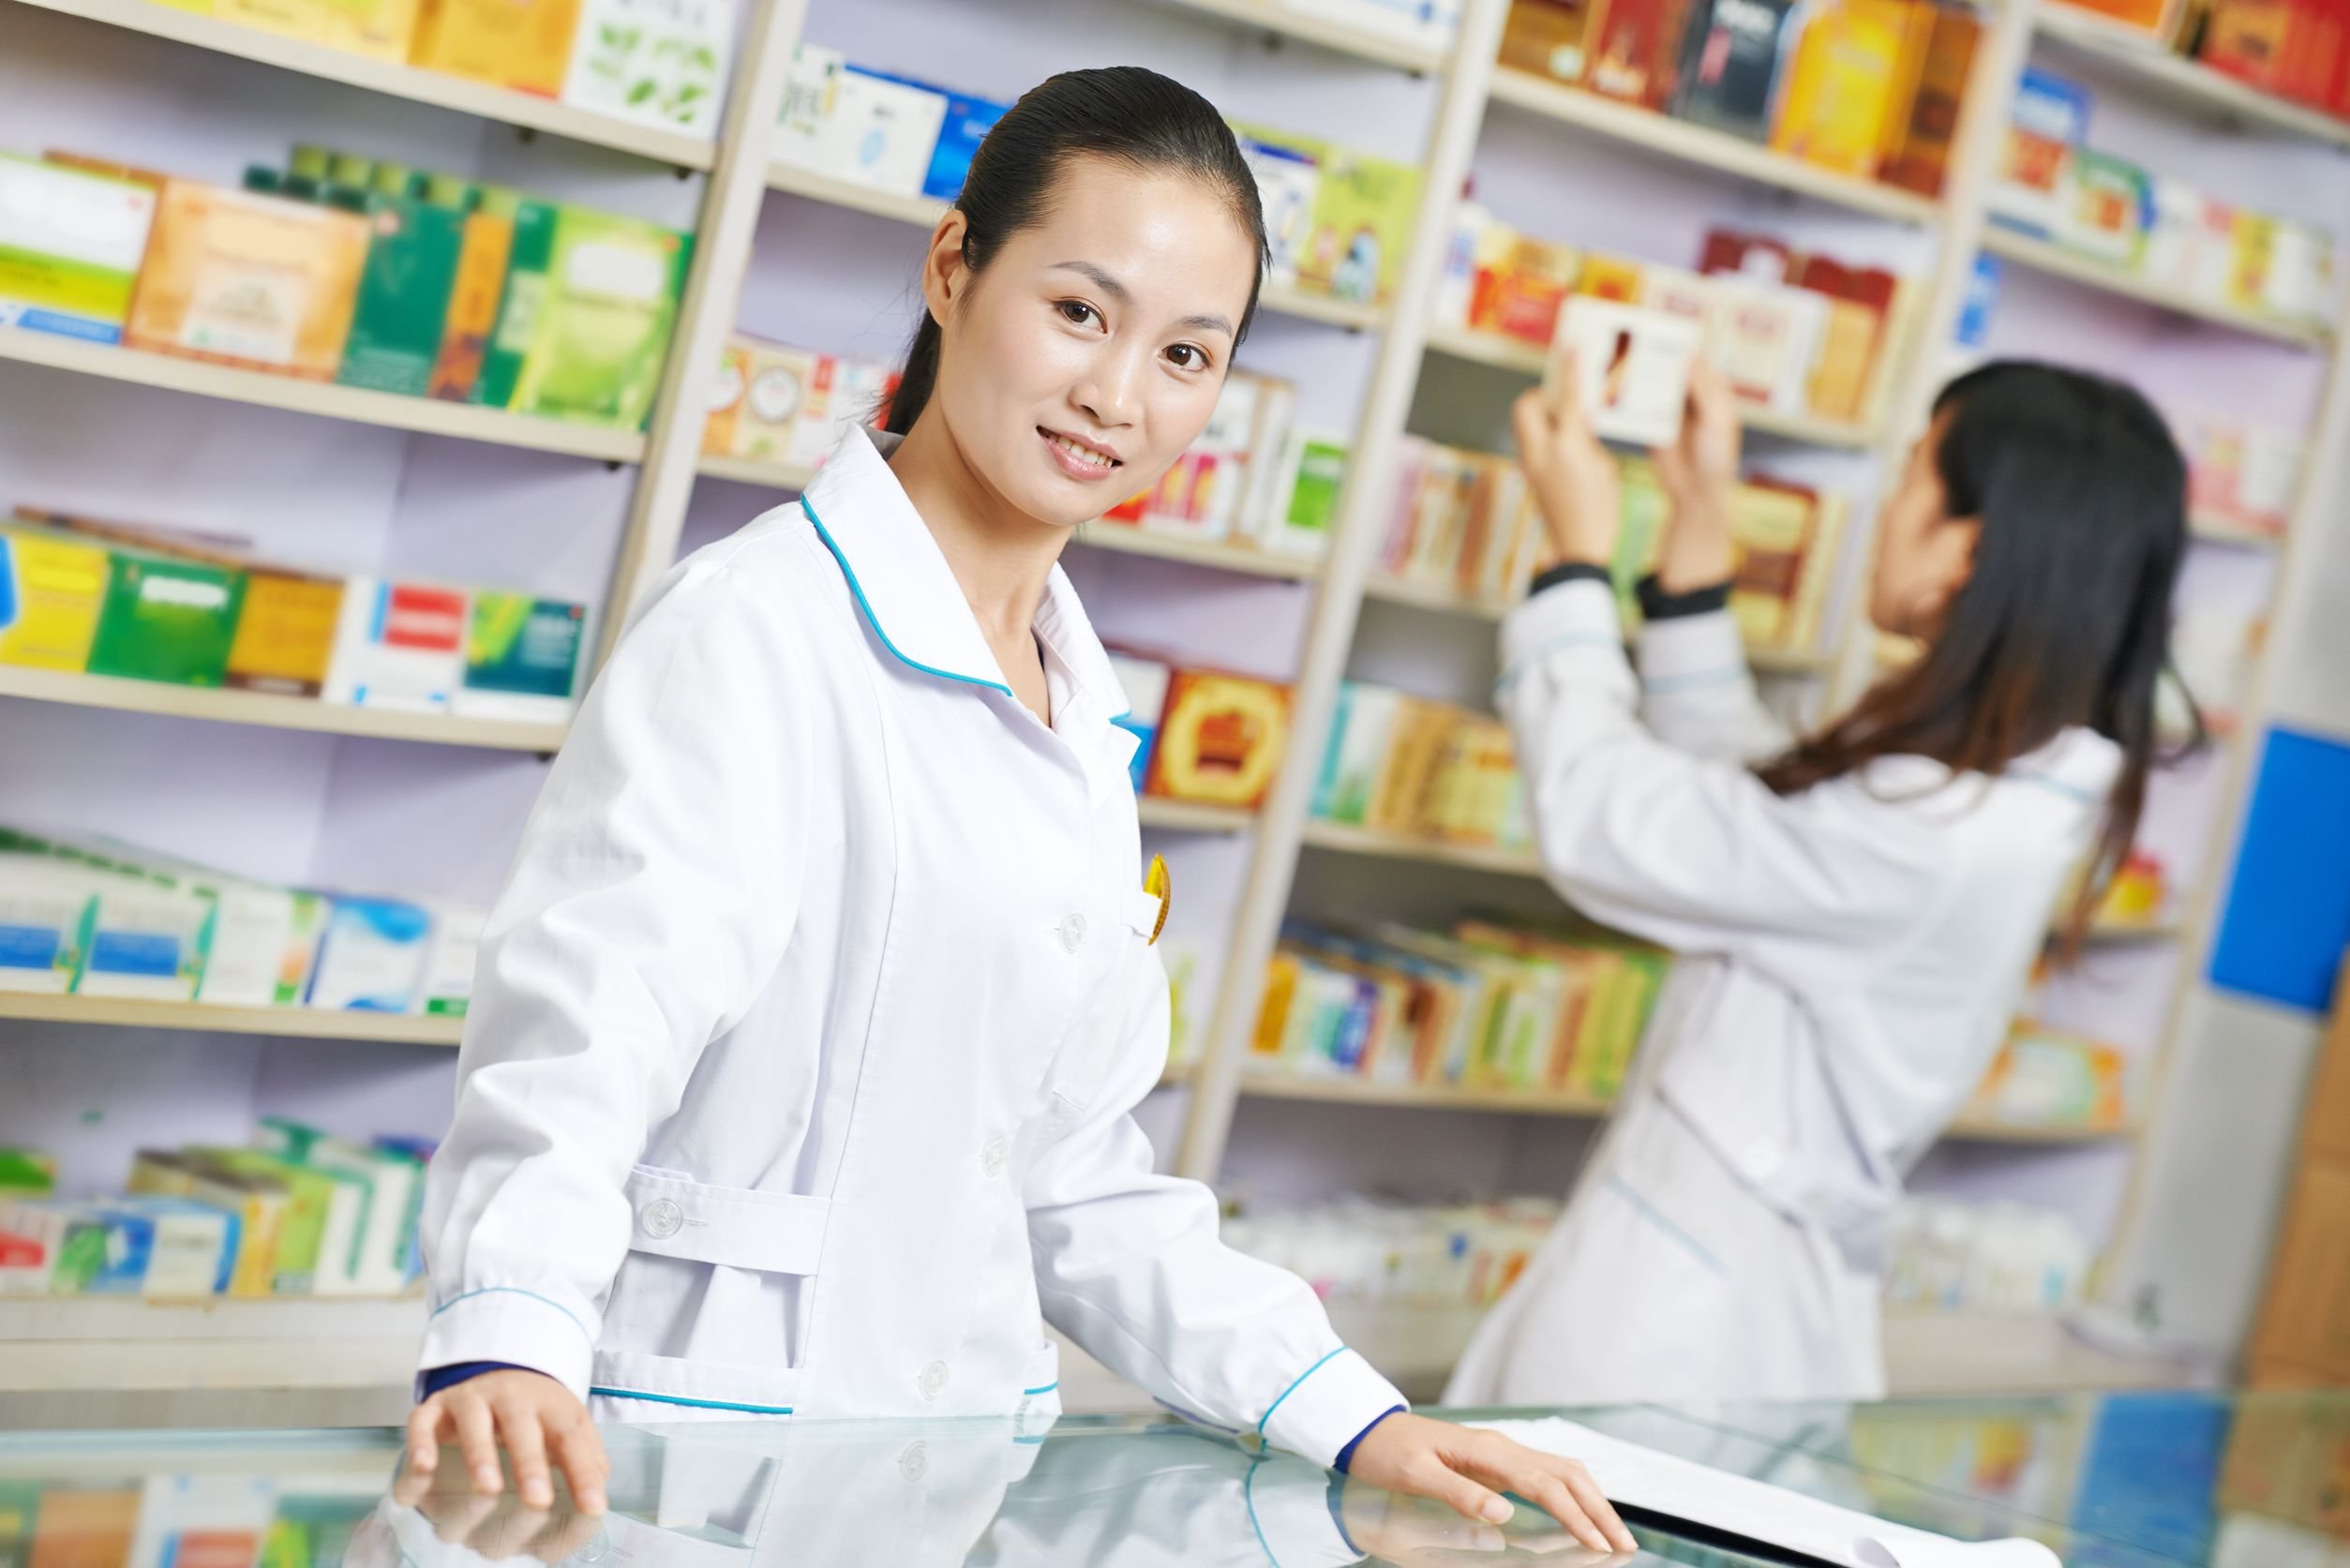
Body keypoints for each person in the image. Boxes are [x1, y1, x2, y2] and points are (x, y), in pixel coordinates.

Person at [401, 64, 1635, 1552]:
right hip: (692, 1467)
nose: (1118, 396)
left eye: (1187, 353)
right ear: (950, 266)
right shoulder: (756, 626)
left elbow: (1070, 1180)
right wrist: (511, 1328)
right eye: (1079, 312)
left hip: (952, 1477)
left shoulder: (1076, 710)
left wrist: (1354, 1415)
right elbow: (581, 1037)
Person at [1445, 354, 2192, 1406]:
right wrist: (1699, 525)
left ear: (1967, 548)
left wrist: (1574, 565)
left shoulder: (1937, 825)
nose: (1888, 504)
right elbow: (1760, 813)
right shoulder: (1987, 788)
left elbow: (1606, 821)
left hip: (1680, 1322)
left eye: (1912, 475)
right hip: (1732, 1281)